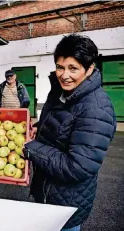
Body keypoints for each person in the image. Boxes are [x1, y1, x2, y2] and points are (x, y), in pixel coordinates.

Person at [23, 34, 117, 231]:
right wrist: (39, 128)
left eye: (73, 68)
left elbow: (77, 167)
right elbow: (62, 123)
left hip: (66, 205)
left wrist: (31, 148)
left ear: (89, 68)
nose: (64, 75)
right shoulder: (63, 92)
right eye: (60, 67)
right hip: (48, 194)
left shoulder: (96, 109)